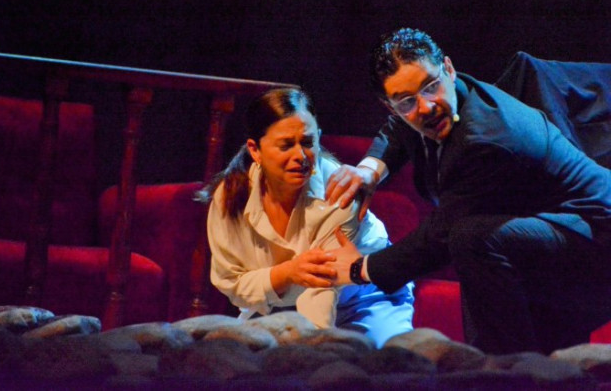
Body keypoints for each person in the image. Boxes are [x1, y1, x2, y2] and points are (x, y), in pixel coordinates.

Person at [325, 28, 611, 355]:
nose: (426, 106)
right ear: (390, 106)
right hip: (555, 225)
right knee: (476, 239)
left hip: (599, 236)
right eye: (406, 101)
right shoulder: (452, 94)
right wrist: (369, 169)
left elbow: (438, 237)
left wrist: (359, 268)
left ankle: (509, 366)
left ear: (448, 68)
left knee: (471, 238)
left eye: (430, 86)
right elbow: (399, 128)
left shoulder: (483, 139)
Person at [199, 88, 414, 347]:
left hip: (364, 300)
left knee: (362, 359)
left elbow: (321, 290)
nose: (300, 156)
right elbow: (232, 282)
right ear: (255, 150)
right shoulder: (231, 195)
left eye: (308, 143)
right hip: (281, 306)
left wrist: (314, 351)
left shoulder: (339, 190)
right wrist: (288, 272)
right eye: (286, 145)